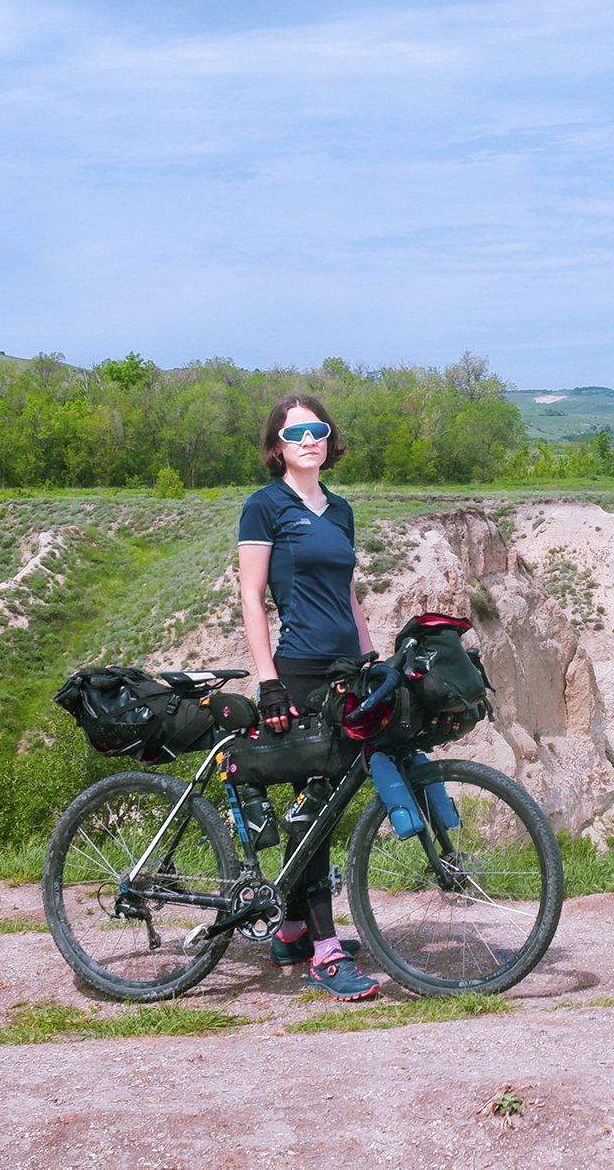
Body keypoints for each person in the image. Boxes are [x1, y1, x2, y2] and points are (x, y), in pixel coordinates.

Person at [236, 394, 380, 1001]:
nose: (309, 441)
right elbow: (252, 598)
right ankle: (325, 953)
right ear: (277, 447)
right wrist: (268, 679)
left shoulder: (341, 510)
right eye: (296, 434)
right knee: (313, 807)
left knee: (320, 804)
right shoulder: (264, 507)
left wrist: (372, 660)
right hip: (296, 674)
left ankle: (293, 929)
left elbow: (348, 595)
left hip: (344, 671)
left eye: (318, 430)